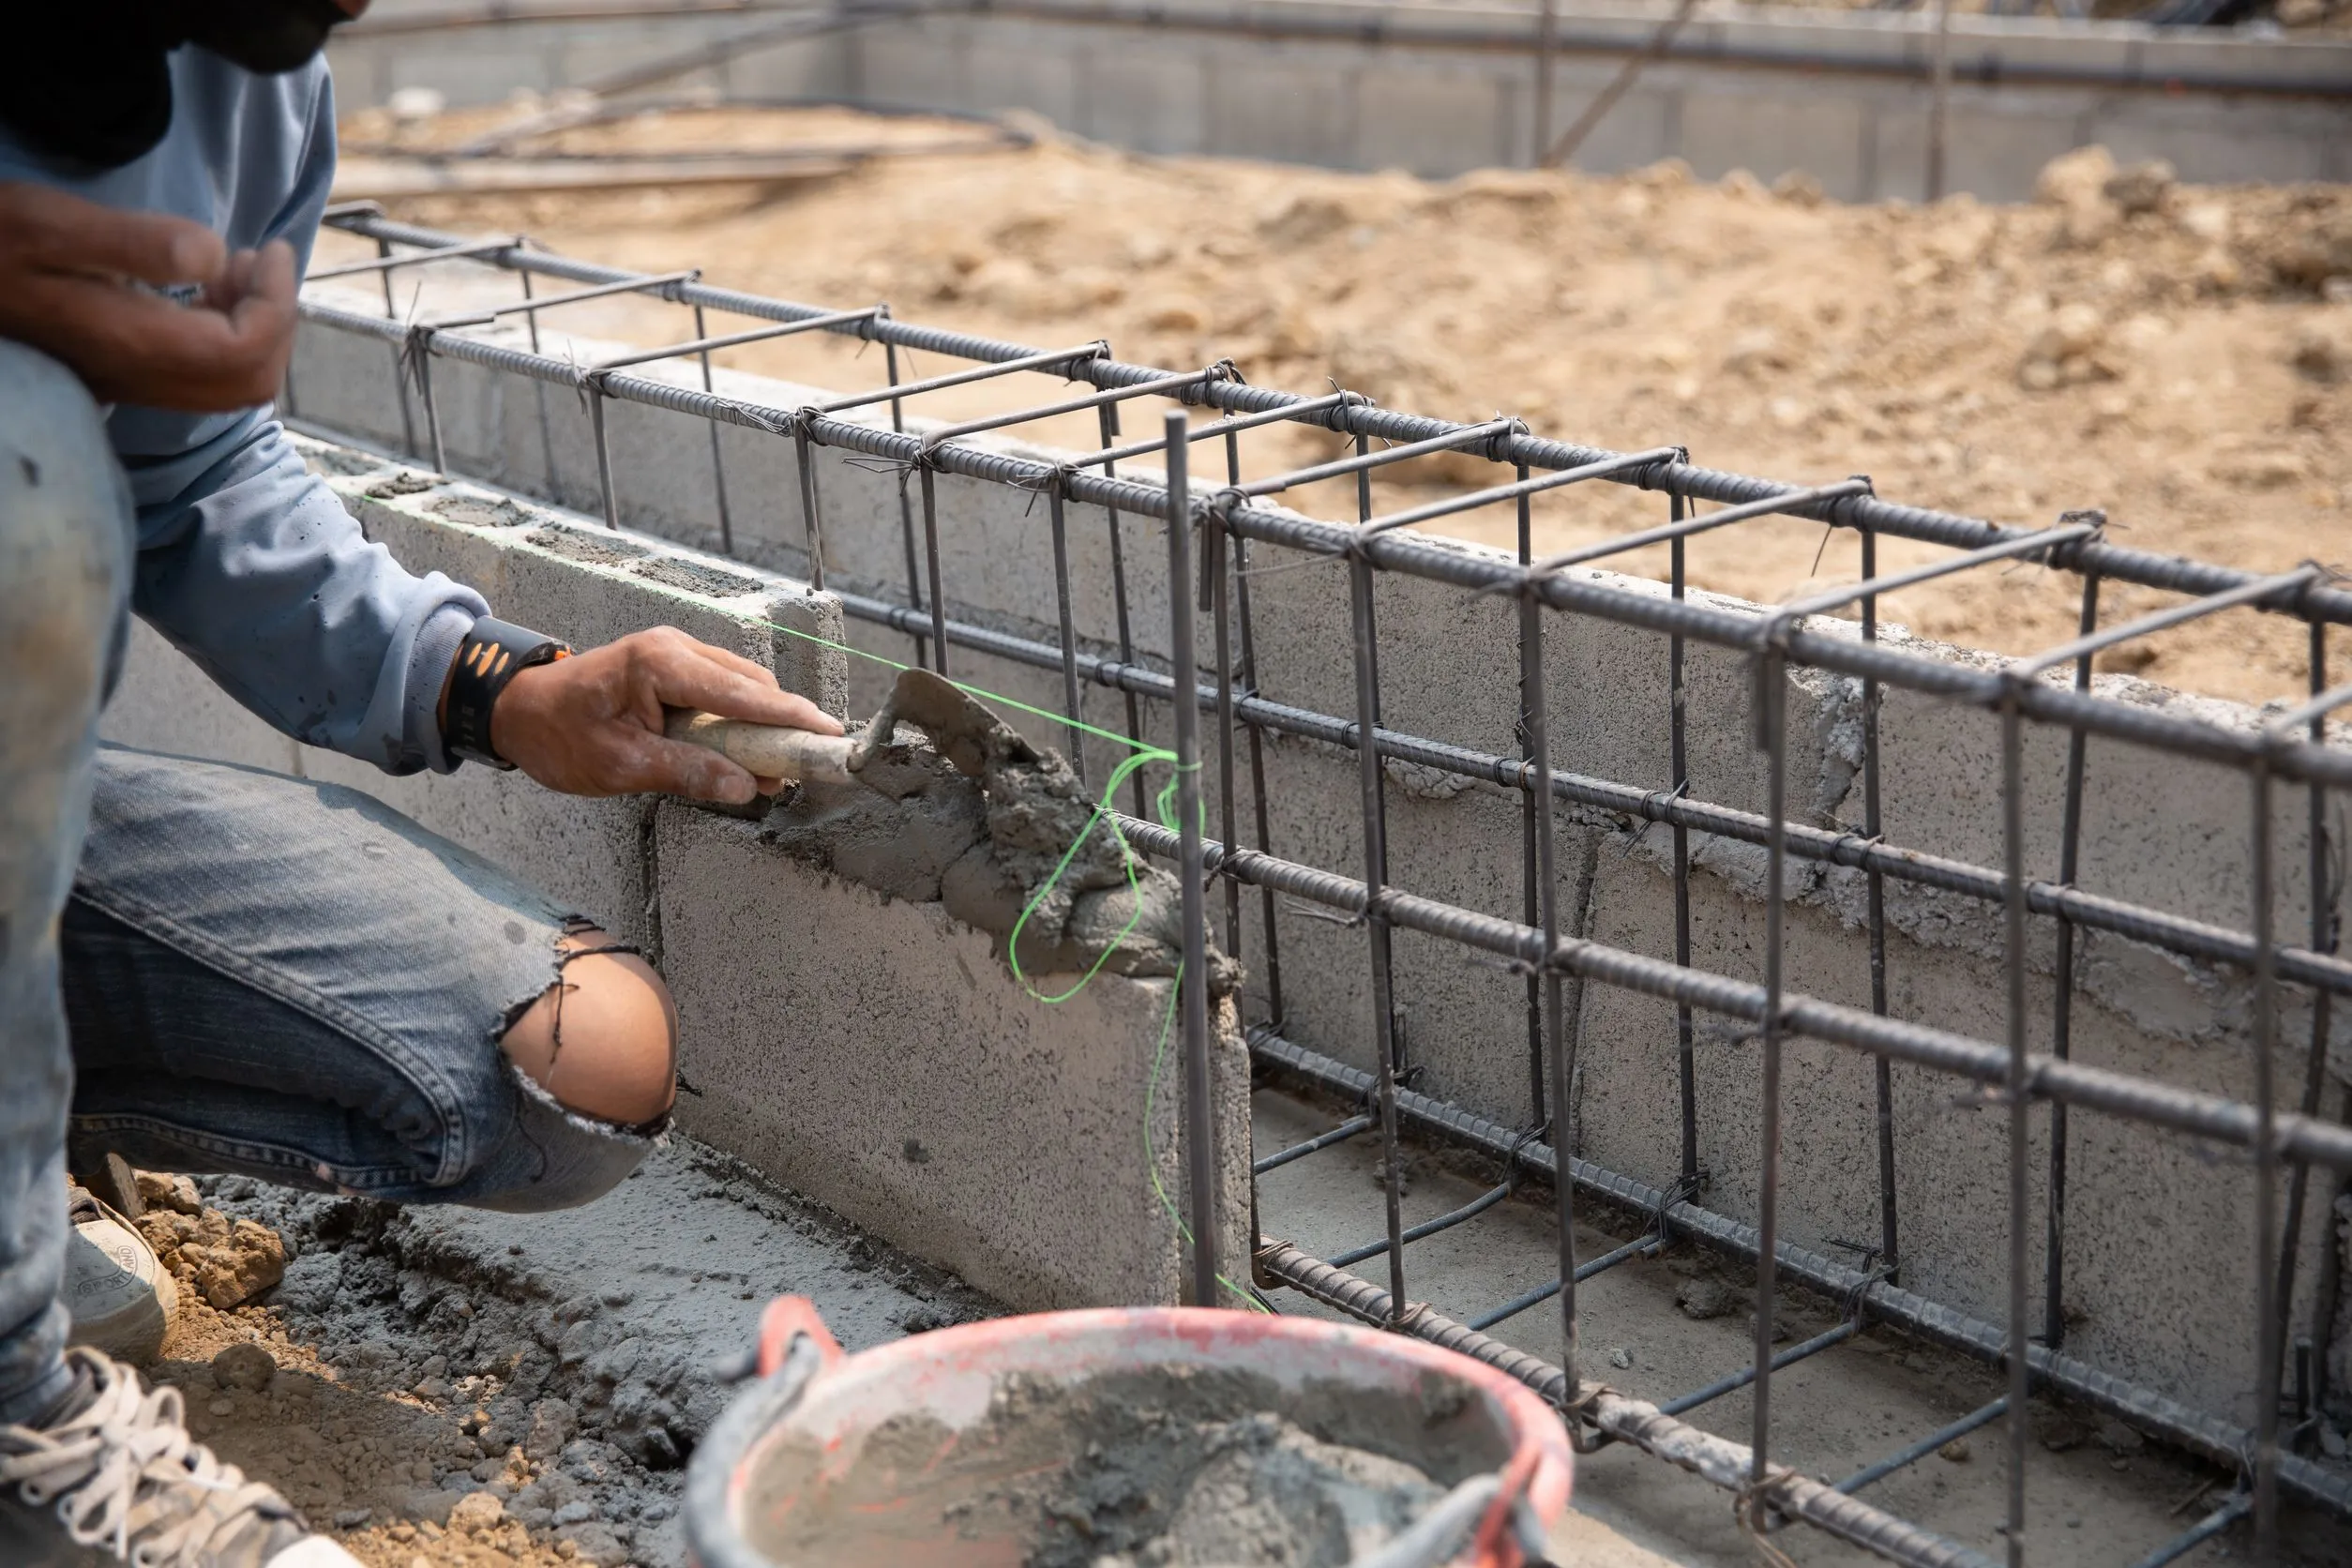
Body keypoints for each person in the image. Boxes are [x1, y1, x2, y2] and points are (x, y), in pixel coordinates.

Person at [0, 7, 841, 1564]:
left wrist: (496, 688)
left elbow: (193, 482)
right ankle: (18, 1413)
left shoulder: (247, 84)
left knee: (575, 1066)